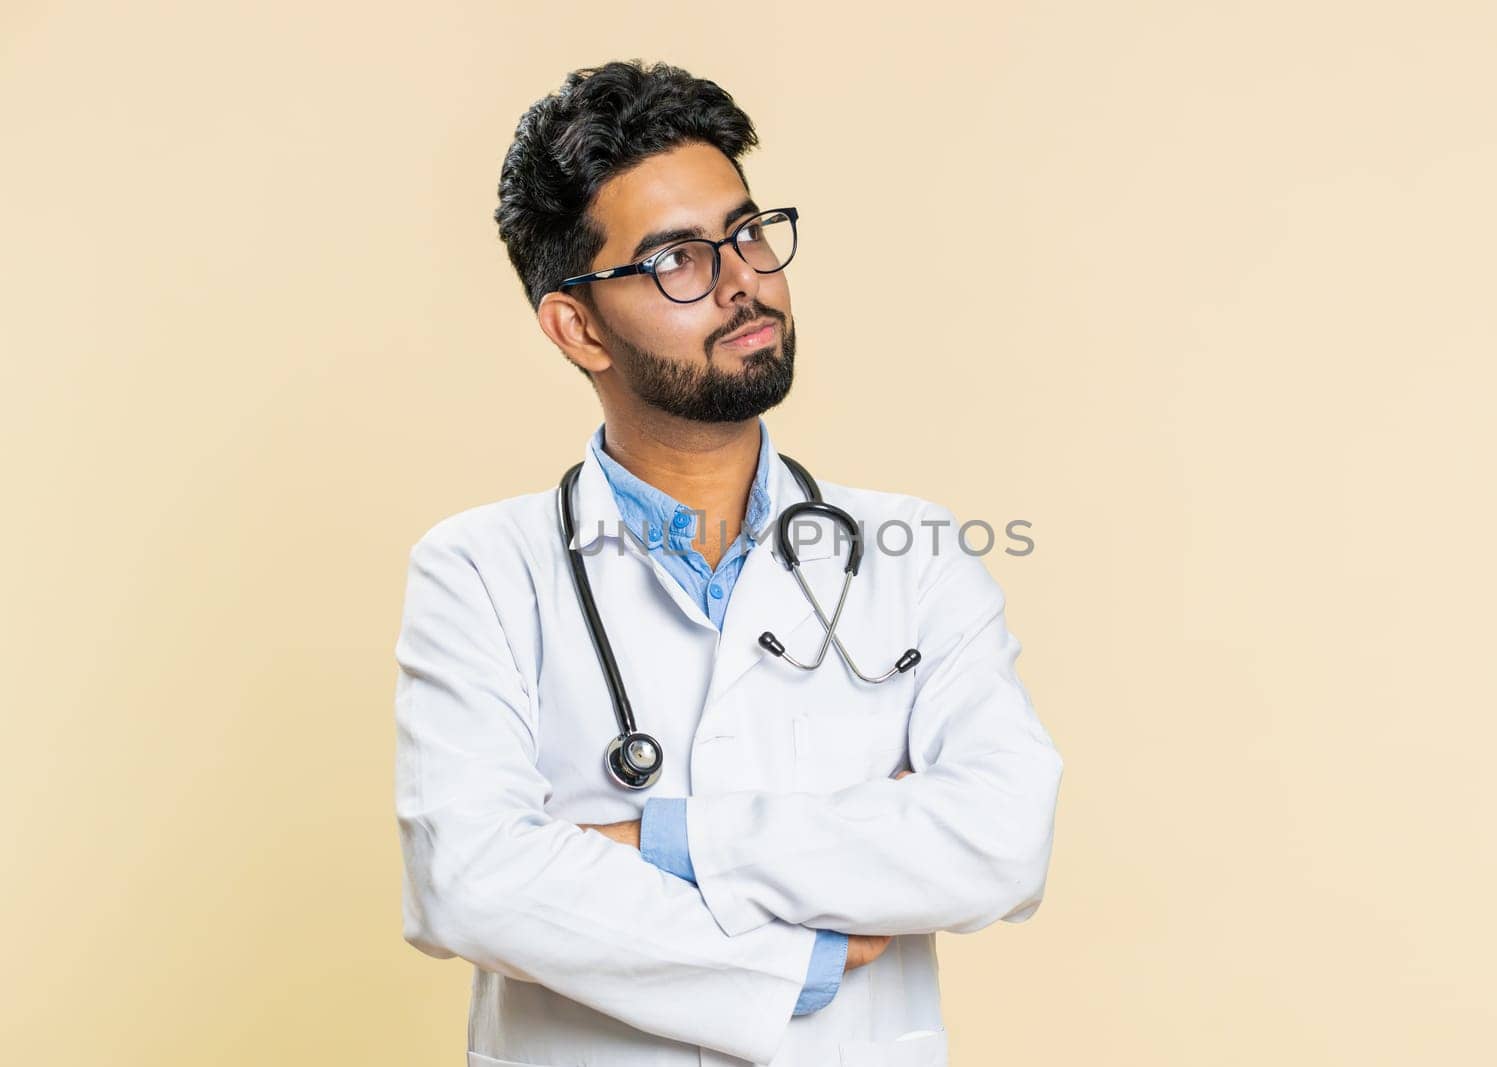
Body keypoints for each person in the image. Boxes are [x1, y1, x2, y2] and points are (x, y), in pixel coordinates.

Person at [392, 59, 1065, 1067]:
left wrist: (654, 841)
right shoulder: (480, 571)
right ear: (577, 325)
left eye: (746, 232)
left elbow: (1002, 834)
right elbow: (471, 880)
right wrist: (800, 957)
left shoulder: (913, 555)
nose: (742, 278)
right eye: (676, 260)